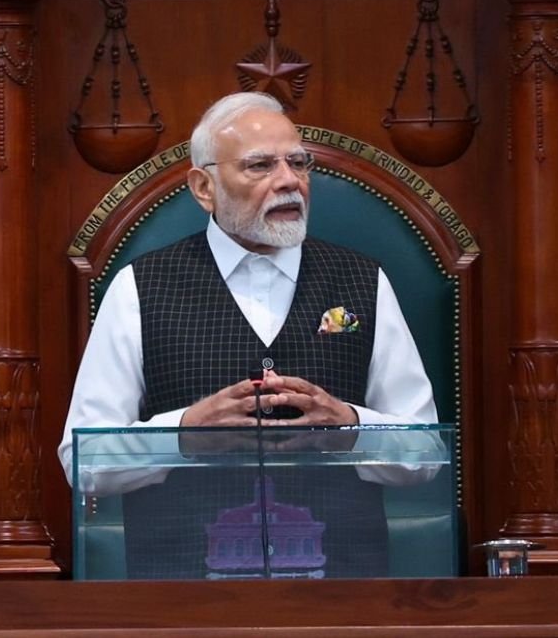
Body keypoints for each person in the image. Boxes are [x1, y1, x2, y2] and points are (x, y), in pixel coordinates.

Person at [59, 91, 437, 578]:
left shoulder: (362, 280)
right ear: (204, 187)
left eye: (298, 164)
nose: (289, 182)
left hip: (342, 593)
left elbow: (427, 450)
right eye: (260, 166)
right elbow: (83, 461)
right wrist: (184, 435)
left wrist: (348, 428)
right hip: (183, 598)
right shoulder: (139, 287)